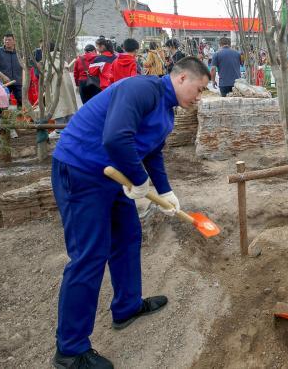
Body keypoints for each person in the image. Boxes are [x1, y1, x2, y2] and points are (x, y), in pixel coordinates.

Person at [50, 57, 211, 368]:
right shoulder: (141, 89)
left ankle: (127, 306)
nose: (199, 97)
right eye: (199, 89)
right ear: (180, 79)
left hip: (112, 174)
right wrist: (139, 181)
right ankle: (70, 350)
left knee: (127, 237)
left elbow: (152, 151)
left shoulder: (166, 109)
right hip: (82, 170)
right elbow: (115, 137)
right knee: (89, 255)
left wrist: (164, 191)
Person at [0, 33, 23, 107]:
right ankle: (3, 117)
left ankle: (22, 116)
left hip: (18, 81)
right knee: (2, 103)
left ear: (14, 41)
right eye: (5, 40)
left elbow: (25, 66)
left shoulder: (20, 52)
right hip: (3, 82)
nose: (7, 42)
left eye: (9, 40)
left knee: (21, 101)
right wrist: (3, 76)